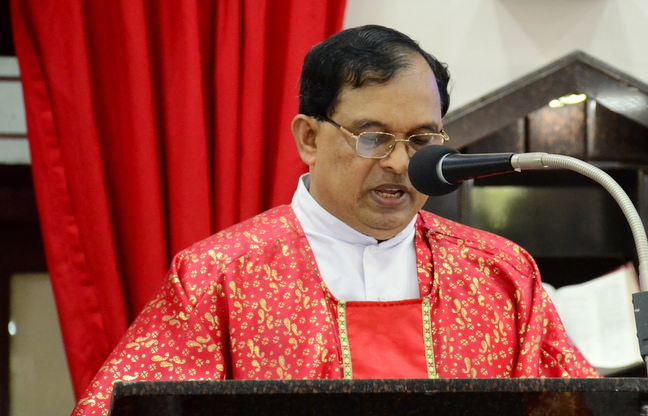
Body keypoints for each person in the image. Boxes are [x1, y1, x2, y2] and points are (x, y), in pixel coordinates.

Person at [71, 24, 597, 415]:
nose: (399, 163)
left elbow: (578, 407)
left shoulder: (500, 274)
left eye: (420, 139)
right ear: (308, 138)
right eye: (373, 137)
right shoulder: (219, 276)